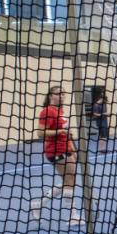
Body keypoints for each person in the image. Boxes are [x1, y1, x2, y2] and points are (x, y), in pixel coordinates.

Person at [30, 85, 82, 226]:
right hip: (56, 151)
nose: (62, 96)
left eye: (63, 93)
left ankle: (38, 205)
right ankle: (72, 216)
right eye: (58, 93)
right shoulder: (47, 111)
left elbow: (66, 133)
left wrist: (73, 150)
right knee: (69, 181)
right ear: (50, 96)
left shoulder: (61, 111)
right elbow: (40, 133)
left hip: (66, 149)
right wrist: (60, 132)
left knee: (69, 181)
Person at [92, 88, 110, 154]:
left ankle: (103, 149)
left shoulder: (103, 104)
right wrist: (103, 114)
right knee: (102, 137)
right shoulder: (96, 105)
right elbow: (95, 114)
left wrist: (107, 114)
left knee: (103, 136)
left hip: (104, 122)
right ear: (101, 99)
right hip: (100, 123)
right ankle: (101, 150)